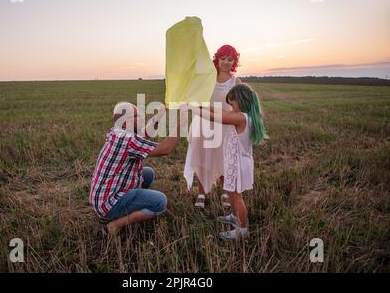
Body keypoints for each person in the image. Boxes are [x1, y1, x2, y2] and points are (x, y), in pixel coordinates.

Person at [89, 102, 183, 235]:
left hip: (102, 197)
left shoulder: (118, 133)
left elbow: (145, 133)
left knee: (148, 173)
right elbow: (165, 149)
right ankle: (115, 225)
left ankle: (136, 202)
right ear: (125, 122)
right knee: (160, 202)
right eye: (137, 116)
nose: (140, 119)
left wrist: (159, 115)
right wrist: (180, 126)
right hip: (108, 205)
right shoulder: (127, 140)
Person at [189, 84, 268, 240]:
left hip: (238, 164)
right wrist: (203, 105)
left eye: (232, 104)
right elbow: (222, 112)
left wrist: (192, 109)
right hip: (236, 162)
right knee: (232, 193)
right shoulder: (244, 115)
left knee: (237, 197)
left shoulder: (241, 118)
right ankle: (234, 216)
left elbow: (218, 117)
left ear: (241, 101)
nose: (230, 107)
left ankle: (242, 229)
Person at [184, 44, 243, 209]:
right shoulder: (208, 78)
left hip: (225, 125)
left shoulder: (236, 81)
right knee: (203, 159)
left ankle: (225, 192)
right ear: (216, 60)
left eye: (230, 59)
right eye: (222, 58)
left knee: (225, 159)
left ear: (234, 62)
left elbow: (240, 107)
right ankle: (202, 193)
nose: (226, 62)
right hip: (204, 123)